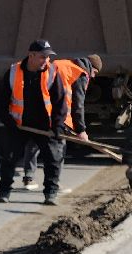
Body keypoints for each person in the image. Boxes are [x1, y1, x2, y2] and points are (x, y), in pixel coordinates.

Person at [0, 39, 71, 205]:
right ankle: (4, 192)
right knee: (9, 158)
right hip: (19, 125)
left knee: (53, 158)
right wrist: (9, 123)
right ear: (31, 55)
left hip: (45, 126)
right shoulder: (13, 72)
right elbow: (1, 102)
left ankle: (51, 193)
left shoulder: (52, 72)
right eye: (43, 56)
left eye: (48, 57)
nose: (47, 60)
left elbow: (60, 103)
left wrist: (57, 126)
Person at [20, 51, 101, 188]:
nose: (93, 76)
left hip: (39, 110)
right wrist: (81, 130)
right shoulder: (80, 74)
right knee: (58, 148)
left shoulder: (61, 64)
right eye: (95, 73)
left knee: (34, 142)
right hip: (57, 115)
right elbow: (78, 105)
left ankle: (28, 177)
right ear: (92, 68)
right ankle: (53, 183)